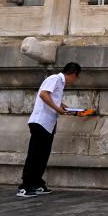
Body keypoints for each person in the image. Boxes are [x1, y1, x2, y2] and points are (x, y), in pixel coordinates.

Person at [17, 61, 82, 198]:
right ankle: (25, 186)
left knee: (42, 155)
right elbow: (43, 94)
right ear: (73, 74)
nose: (75, 81)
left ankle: (37, 183)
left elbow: (51, 97)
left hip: (48, 124)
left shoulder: (60, 83)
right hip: (40, 122)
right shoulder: (55, 78)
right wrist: (57, 108)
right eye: (77, 77)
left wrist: (62, 105)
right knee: (34, 155)